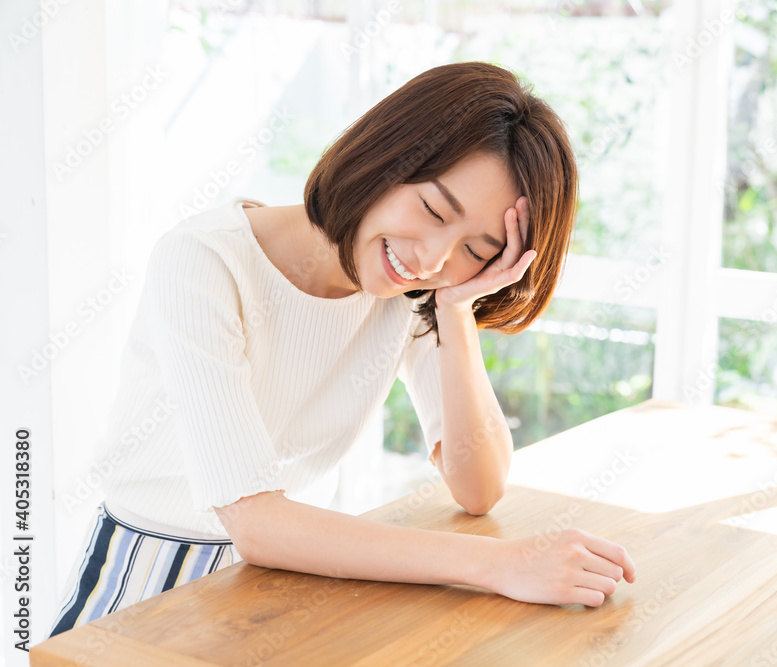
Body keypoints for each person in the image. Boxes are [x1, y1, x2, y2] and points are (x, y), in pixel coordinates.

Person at [49, 60, 637, 638]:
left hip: (293, 584)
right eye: (433, 209)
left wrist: (456, 312)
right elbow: (256, 522)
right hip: (150, 581)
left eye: (475, 249)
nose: (431, 259)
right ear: (384, 154)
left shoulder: (411, 290)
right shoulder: (204, 261)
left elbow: (478, 485)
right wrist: (502, 566)